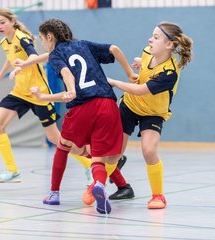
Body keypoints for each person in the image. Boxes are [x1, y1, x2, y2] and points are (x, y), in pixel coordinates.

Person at [12, 18, 137, 214]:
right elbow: (114, 48)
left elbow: (65, 71)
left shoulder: (56, 55)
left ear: (50, 37)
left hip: (83, 107)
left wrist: (70, 89)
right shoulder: (83, 45)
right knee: (98, 156)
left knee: (63, 147)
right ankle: (100, 185)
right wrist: (129, 72)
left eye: (42, 39)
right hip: (108, 104)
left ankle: (54, 193)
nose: (42, 43)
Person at [0, 8, 92, 184]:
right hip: (20, 92)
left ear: (12, 22)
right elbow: (10, 58)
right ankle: (12, 171)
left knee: (55, 138)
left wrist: (21, 67)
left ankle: (89, 164)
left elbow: (34, 56)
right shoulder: (5, 42)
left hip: (39, 93)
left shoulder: (22, 37)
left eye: (2, 22)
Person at [107, 21, 193, 209]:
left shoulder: (169, 72)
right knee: (112, 154)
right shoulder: (148, 52)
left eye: (156, 37)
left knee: (149, 151)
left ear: (169, 44)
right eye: (151, 36)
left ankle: (158, 196)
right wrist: (140, 63)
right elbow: (145, 64)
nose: (150, 39)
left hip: (153, 114)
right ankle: (95, 186)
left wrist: (114, 82)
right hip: (129, 107)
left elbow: (140, 90)